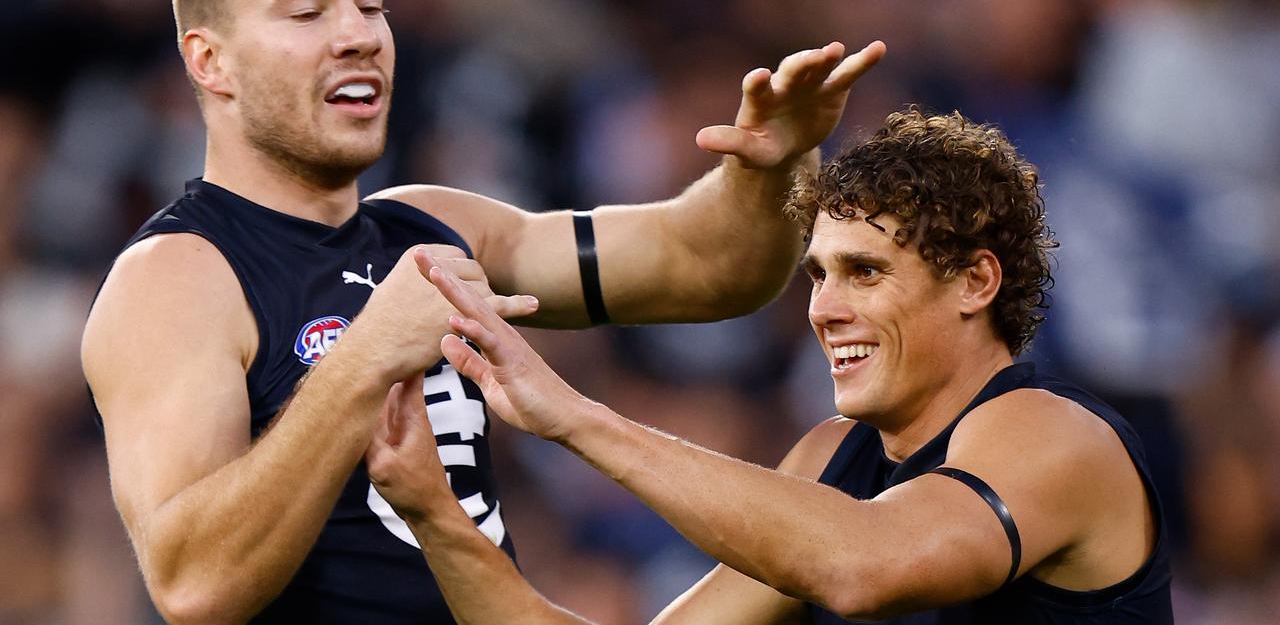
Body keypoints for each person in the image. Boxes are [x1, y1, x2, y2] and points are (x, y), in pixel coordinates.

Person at [78, 0, 886, 623]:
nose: (358, 34)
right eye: (306, 10)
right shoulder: (176, 277)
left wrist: (773, 166)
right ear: (209, 60)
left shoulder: (437, 227)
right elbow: (193, 587)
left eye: (369, 3)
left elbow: (714, 269)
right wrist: (364, 357)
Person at [366, 107, 1175, 623]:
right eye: (818, 274)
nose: (823, 308)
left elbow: (869, 566)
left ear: (975, 281)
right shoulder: (829, 463)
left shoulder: (1057, 436)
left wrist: (574, 418)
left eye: (865, 271)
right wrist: (438, 516)